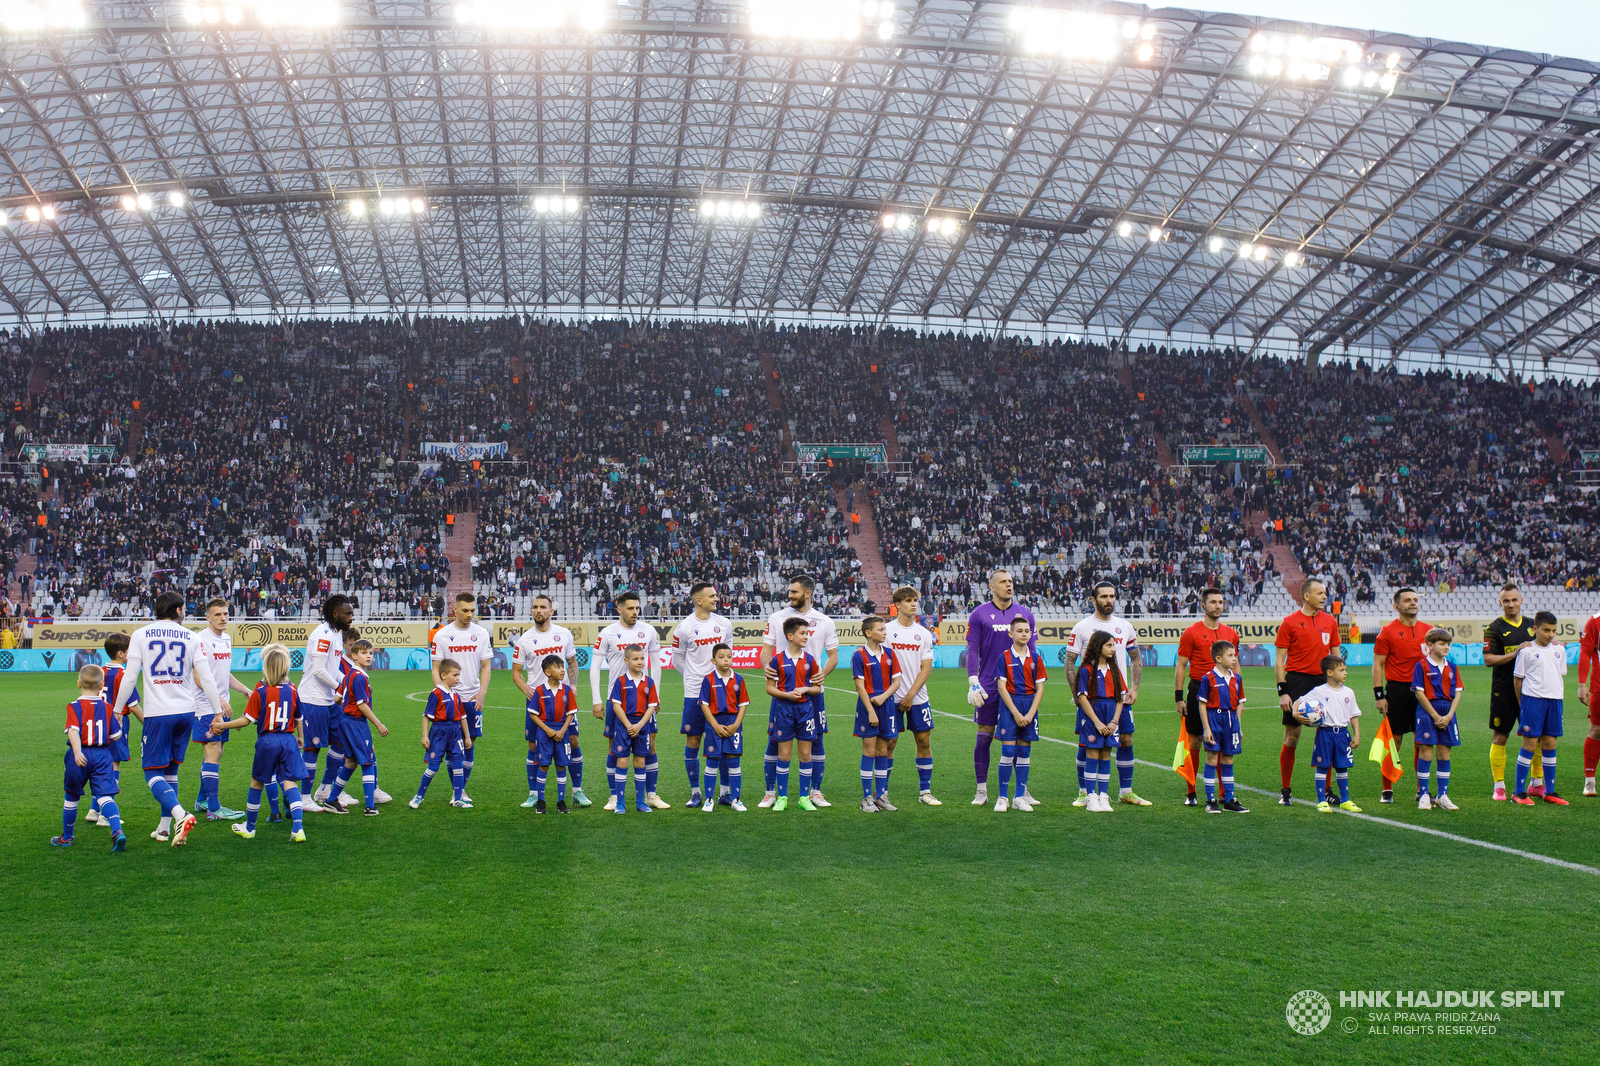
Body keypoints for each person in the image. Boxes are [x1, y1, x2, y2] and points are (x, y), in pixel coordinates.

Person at [109, 589, 220, 846]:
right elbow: (206, 678)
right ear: (178, 610)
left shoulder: (141, 634)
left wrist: (116, 710)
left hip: (159, 712)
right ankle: (164, 829)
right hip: (186, 711)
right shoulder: (192, 637)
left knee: (151, 772)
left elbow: (130, 676)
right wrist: (216, 711)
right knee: (171, 770)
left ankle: (180, 815)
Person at [212, 644, 309, 841]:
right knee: (290, 783)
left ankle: (250, 827)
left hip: (268, 741)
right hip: (288, 740)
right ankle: (298, 828)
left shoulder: (261, 690)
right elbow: (299, 717)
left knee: (257, 782)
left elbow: (245, 721)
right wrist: (300, 737)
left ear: (265, 667)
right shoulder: (292, 689)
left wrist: (222, 725)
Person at [760, 574, 839, 809]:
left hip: (812, 694)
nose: (789, 595)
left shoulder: (824, 621)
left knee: (816, 742)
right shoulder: (777, 617)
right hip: (784, 694)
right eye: (789, 591)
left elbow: (833, 656)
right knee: (775, 741)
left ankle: (815, 792)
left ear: (807, 594)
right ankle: (770, 793)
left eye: (794, 592)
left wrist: (821, 675)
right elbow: (767, 650)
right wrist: (769, 670)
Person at [1065, 580, 1146, 807]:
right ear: (1093, 599)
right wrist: (1077, 694)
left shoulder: (1125, 626)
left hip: (1118, 696)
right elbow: (1070, 662)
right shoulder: (1081, 627)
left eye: (1112, 596)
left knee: (1125, 739)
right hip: (1091, 698)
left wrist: (1135, 687)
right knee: (1088, 743)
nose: (1109, 600)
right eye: (1104, 596)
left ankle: (1126, 791)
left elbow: (1136, 657)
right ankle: (1084, 792)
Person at [965, 569, 1038, 807]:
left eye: (1011, 581)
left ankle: (1021, 791)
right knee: (984, 736)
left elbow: (1032, 653)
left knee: (1018, 737)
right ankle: (982, 790)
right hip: (989, 685)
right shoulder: (979, 614)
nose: (1009, 585)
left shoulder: (1025, 614)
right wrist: (973, 682)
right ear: (992, 587)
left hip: (1019, 687)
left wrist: (1034, 682)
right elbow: (972, 649)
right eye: (1004, 582)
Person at [511, 595, 588, 806]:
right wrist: (527, 689)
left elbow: (572, 662)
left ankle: (578, 791)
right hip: (538, 701)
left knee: (573, 741)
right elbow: (516, 672)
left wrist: (572, 686)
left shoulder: (563, 634)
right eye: (535, 607)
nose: (538, 610)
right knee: (534, 745)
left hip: (562, 699)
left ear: (551, 611)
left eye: (543, 607)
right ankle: (533, 793)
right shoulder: (524, 640)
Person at [590, 591, 664, 810]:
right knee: (615, 748)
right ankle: (614, 796)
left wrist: (655, 696)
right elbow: (595, 666)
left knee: (649, 746)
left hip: (644, 699)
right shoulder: (608, 633)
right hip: (617, 702)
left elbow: (657, 665)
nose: (635, 612)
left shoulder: (648, 631)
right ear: (619, 609)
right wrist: (596, 699)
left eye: (637, 608)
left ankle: (650, 794)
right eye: (630, 608)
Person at [1274, 578, 1340, 806]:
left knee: (1330, 736)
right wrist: (1283, 691)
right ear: (1306, 596)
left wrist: (1338, 685)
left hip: (1324, 682)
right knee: (1292, 736)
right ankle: (1285, 791)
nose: (1324, 596)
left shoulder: (1330, 621)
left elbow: (1336, 655)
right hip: (1297, 682)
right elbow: (1280, 660)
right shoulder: (1289, 622)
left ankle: (1328, 790)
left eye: (1325, 592)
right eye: (1320, 593)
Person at [1174, 587, 1238, 807]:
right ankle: (1191, 791)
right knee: (1195, 741)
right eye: (1213, 602)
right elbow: (1181, 665)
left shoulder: (1231, 634)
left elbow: (1235, 666)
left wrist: (1238, 692)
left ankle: (1223, 793)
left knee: (1222, 743)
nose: (1218, 606)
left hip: (1225, 694)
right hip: (1199, 690)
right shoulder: (1191, 632)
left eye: (1221, 602)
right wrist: (1179, 697)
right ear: (1203, 605)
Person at [671, 581, 732, 807]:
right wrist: (694, 676)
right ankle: (696, 792)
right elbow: (676, 658)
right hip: (695, 692)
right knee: (694, 739)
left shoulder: (724, 624)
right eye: (712, 596)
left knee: (724, 738)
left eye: (716, 595)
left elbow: (727, 654)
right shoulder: (684, 628)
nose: (717, 598)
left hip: (722, 692)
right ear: (699, 600)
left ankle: (725, 792)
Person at [54, 665, 127, 851]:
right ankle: (117, 830)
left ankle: (67, 837)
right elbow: (116, 736)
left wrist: (77, 752)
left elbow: (73, 730)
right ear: (102, 685)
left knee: (71, 797)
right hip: (103, 756)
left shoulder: (74, 706)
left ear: (78, 684)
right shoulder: (107, 707)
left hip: (80, 756)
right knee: (105, 797)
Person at [190, 599, 252, 821]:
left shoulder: (226, 638)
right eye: (217, 615)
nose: (223, 618)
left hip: (220, 705)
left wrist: (243, 689)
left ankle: (202, 800)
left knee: (216, 752)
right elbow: (197, 676)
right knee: (213, 751)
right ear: (207, 617)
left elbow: (222, 673)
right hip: (206, 706)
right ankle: (214, 808)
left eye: (226, 614)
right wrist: (217, 700)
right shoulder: (199, 640)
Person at [1482, 584, 1544, 800]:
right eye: (1506, 601)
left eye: (1514, 600)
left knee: (1535, 735)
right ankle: (1499, 785)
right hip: (1505, 690)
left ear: (1521, 600)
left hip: (1532, 690)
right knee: (1500, 735)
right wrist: (1516, 653)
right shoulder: (1494, 628)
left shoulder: (1532, 625)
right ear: (1500, 602)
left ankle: (1537, 782)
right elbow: (1488, 659)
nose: (1510, 604)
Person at [430, 592, 493, 804]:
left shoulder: (482, 633)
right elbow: (436, 667)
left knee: (470, 742)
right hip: (452, 699)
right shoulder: (442, 635)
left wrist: (482, 692)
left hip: (473, 697)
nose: (469, 614)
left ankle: (460, 789)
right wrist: (442, 694)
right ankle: (458, 791)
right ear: (454, 609)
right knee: (453, 745)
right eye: (465, 610)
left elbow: (486, 666)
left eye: (473, 611)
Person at [1372, 587, 1430, 804]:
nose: (1413, 603)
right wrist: (1380, 695)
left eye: (1415, 599)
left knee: (1422, 741)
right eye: (1407, 600)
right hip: (1397, 690)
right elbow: (1378, 664)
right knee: (1394, 741)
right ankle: (1387, 789)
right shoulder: (1387, 632)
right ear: (1396, 606)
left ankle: (1421, 789)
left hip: (1423, 692)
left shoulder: (1429, 630)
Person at [883, 586, 940, 806]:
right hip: (891, 696)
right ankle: (883, 792)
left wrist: (910, 694)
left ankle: (925, 791)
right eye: (908, 600)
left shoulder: (923, 633)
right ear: (897, 605)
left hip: (917, 697)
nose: (913, 604)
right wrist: (897, 694)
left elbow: (926, 668)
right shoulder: (886, 631)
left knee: (923, 741)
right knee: (890, 742)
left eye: (915, 600)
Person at [300, 593, 354, 808]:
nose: (351, 617)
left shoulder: (336, 634)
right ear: (335, 613)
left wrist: (351, 684)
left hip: (330, 701)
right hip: (313, 700)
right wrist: (341, 687)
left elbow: (333, 669)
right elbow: (319, 670)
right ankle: (304, 798)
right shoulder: (323, 634)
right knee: (313, 748)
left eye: (351, 613)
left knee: (340, 742)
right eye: (347, 613)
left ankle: (324, 790)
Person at [765, 616, 823, 812]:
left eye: (807, 633)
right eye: (802, 633)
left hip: (806, 710)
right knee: (784, 754)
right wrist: (787, 694)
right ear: (790, 636)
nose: (806, 637)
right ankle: (782, 798)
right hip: (783, 710)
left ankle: (804, 798)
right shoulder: (778, 659)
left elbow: (817, 688)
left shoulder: (811, 660)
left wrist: (805, 689)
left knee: (806, 754)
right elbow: (770, 688)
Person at [324, 638, 388, 816]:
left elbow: (337, 699)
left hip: (345, 721)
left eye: (371, 653)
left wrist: (348, 701)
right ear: (354, 656)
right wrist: (378, 724)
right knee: (367, 760)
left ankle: (331, 799)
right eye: (363, 653)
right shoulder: (359, 677)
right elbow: (362, 705)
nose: (368, 656)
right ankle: (369, 806)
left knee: (351, 762)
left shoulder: (350, 675)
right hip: (355, 722)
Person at [1512, 611, 1569, 806]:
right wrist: (1524, 705)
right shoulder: (1526, 651)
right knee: (1529, 744)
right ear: (1535, 629)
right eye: (1546, 630)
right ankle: (1518, 791)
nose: (1550, 635)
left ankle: (1550, 791)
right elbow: (1517, 680)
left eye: (1553, 631)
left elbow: (1559, 673)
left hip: (1555, 701)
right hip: (1533, 701)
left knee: (1550, 744)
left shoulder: (1559, 650)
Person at [1294, 655, 1362, 813]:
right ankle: (1321, 800)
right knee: (1323, 766)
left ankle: (1345, 800)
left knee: (1342, 767)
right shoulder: (1319, 691)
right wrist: (1295, 713)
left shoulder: (1349, 692)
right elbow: (1300, 700)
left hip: (1343, 734)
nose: (1345, 673)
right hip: (1325, 733)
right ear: (1330, 672)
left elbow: (1353, 715)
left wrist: (1356, 734)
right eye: (1341, 670)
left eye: (1345, 670)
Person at [995, 618, 1046, 814]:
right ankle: (1002, 797)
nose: (1024, 634)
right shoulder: (1004, 658)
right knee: (1008, 752)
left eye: (1027, 631)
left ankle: (1019, 796)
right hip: (1010, 707)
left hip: (1029, 705)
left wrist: (1031, 712)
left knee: (1024, 752)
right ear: (1011, 634)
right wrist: (1016, 713)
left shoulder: (1036, 658)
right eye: (1020, 631)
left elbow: (1040, 688)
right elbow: (1001, 687)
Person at [91, 632, 140, 829]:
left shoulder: (100, 671)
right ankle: (106, 814)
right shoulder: (124, 675)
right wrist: (150, 724)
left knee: (101, 764)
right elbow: (134, 705)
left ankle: (94, 809)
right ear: (121, 653)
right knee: (113, 765)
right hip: (116, 723)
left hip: (96, 722)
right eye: (130, 650)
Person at [852, 615, 901, 812]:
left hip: (887, 705)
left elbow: (896, 682)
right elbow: (859, 686)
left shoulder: (890, 653)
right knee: (869, 750)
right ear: (868, 633)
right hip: (868, 707)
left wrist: (883, 698)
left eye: (885, 629)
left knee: (883, 750)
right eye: (881, 630)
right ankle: (866, 798)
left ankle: (880, 795)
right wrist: (871, 710)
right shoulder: (859, 655)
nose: (885, 633)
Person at [1410, 628, 1463, 811]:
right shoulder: (1422, 666)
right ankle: (1424, 794)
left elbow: (1457, 694)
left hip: (1447, 713)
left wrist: (1449, 716)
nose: (1446, 647)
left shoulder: (1453, 667)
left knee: (1444, 753)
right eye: (1442, 643)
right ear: (1430, 646)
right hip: (1428, 711)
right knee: (1425, 751)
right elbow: (1419, 693)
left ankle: (1442, 796)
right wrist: (1434, 715)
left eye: (1448, 644)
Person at [411, 659, 473, 809]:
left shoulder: (456, 695)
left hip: (455, 733)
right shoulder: (436, 694)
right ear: (443, 675)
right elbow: (426, 716)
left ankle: (458, 797)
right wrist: (425, 736)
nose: (458, 678)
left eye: (459, 675)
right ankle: (419, 796)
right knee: (433, 767)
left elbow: (462, 717)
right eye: (455, 675)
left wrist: (468, 736)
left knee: (458, 764)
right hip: (439, 732)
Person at [1195, 641, 1248, 814]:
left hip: (1231, 720)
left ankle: (1229, 799)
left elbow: (1240, 704)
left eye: (1235, 655)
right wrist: (1207, 728)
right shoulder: (1208, 678)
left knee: (1228, 759)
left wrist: (1238, 726)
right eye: (1230, 655)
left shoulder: (1237, 679)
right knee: (1212, 759)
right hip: (1214, 719)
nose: (1234, 659)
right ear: (1218, 658)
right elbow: (1202, 704)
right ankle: (1210, 800)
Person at [1074, 630, 1123, 813]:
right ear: (1098, 647)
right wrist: (1097, 722)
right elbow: (1082, 698)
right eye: (1109, 645)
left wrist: (1114, 721)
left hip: (1110, 716)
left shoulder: (1115, 670)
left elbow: (1120, 698)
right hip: (1093, 716)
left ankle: (1103, 796)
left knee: (1105, 754)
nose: (1113, 649)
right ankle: (1091, 796)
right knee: (1093, 754)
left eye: (1113, 645)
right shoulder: (1086, 669)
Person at [697, 643, 750, 813]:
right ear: (713, 660)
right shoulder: (708, 679)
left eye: (729, 656)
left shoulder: (739, 680)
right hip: (714, 723)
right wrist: (714, 725)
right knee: (712, 760)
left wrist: (736, 725)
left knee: (734, 760)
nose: (726, 660)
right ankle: (709, 799)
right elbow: (704, 705)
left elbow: (743, 705)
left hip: (733, 723)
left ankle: (735, 799)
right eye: (721, 657)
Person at [608, 645, 661, 814]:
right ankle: (621, 803)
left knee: (640, 762)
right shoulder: (620, 682)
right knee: (622, 762)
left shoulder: (649, 683)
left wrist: (639, 725)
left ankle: (640, 801)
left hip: (642, 726)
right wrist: (628, 725)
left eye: (642, 659)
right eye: (635, 659)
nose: (640, 662)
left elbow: (652, 707)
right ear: (626, 661)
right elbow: (616, 705)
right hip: (624, 725)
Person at [523, 654, 577, 814]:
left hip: (562, 732)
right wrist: (547, 729)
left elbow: (571, 713)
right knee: (544, 765)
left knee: (561, 765)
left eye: (563, 667)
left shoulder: (567, 690)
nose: (563, 670)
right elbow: (533, 714)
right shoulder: (540, 691)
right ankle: (541, 801)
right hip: (544, 733)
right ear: (547, 672)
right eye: (558, 667)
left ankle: (561, 801)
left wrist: (562, 730)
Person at [1581, 606, 1600, 796]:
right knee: (1596, 731)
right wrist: (1581, 684)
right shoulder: (1595, 622)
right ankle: (1589, 782)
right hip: (1599, 686)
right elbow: (1586, 652)